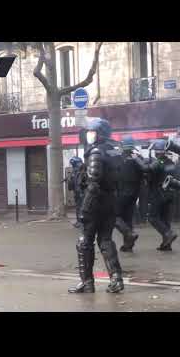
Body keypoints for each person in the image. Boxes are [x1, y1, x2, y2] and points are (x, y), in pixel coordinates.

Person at [69, 118, 124, 294]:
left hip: (96, 202)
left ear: (99, 134)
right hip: (111, 201)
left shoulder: (96, 152)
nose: (88, 135)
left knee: (84, 241)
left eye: (91, 132)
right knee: (106, 240)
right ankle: (116, 280)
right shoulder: (115, 151)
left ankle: (87, 282)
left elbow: (93, 183)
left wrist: (84, 209)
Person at [134, 139, 178, 251]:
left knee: (153, 218)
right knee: (165, 219)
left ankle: (168, 234)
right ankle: (166, 244)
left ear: (158, 151)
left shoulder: (159, 162)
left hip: (159, 194)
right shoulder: (171, 163)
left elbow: (147, 169)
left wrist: (137, 159)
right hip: (170, 194)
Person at [116, 135, 143, 252]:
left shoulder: (119, 159)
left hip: (121, 192)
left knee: (114, 216)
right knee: (127, 218)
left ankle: (129, 234)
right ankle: (128, 245)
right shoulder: (138, 158)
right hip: (134, 193)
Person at [65, 156, 86, 229]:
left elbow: (76, 183)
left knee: (80, 207)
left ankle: (80, 222)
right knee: (80, 207)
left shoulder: (78, 171)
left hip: (80, 192)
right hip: (80, 192)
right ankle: (80, 222)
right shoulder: (80, 169)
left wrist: (70, 179)